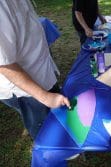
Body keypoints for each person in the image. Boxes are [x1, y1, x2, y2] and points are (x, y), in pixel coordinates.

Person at [0, 0, 70, 139]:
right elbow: (4, 64)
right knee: (45, 135)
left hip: (42, 76)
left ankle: (61, 143)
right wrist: (45, 97)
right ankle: (52, 154)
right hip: (26, 91)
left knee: (57, 123)